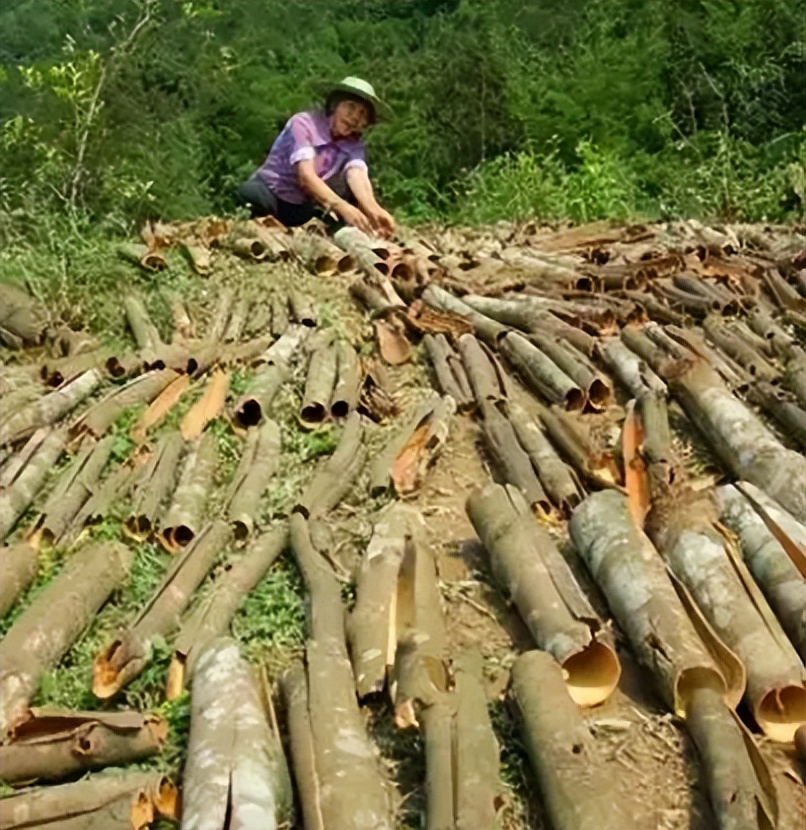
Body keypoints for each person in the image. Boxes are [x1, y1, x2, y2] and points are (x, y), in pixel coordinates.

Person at [236, 76, 395, 238]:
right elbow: (306, 176)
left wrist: (373, 209)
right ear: (335, 105)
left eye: (362, 114)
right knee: (250, 195)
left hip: (303, 205)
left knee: (345, 213)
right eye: (350, 107)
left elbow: (357, 175)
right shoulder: (304, 124)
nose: (354, 117)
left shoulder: (354, 144)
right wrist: (341, 206)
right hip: (273, 193)